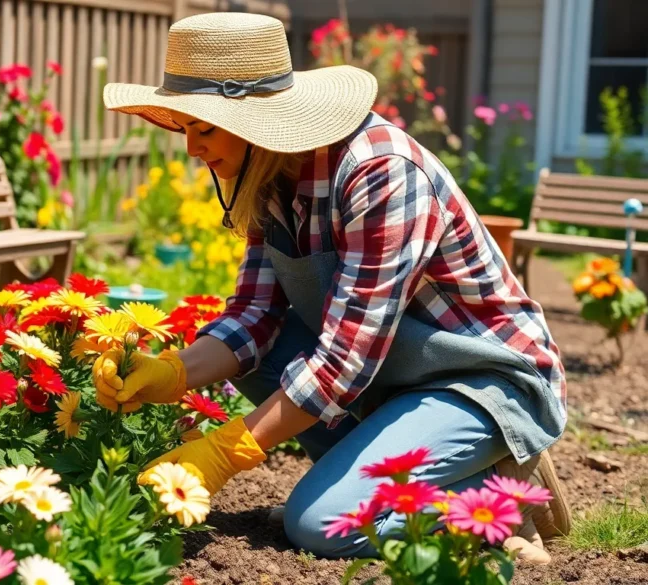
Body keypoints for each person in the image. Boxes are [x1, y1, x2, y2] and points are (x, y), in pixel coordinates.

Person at [94, 12, 572, 563]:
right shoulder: (266, 175)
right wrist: (174, 371)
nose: (190, 150)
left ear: (257, 122)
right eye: (185, 128)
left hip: (477, 378)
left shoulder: (382, 175)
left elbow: (345, 360)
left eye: (203, 129)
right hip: (391, 375)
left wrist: (227, 452)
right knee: (266, 354)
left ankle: (499, 501)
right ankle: (414, 481)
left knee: (321, 525)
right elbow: (254, 315)